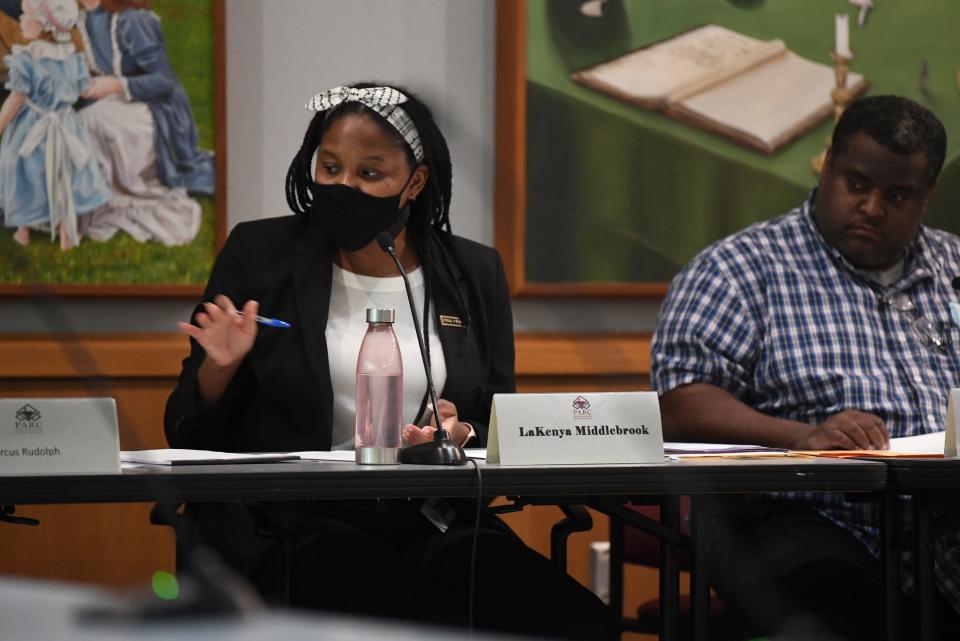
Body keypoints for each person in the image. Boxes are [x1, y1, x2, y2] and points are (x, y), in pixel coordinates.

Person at [164, 82, 616, 640]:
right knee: (414, 621)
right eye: (329, 167)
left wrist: (461, 430)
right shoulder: (261, 255)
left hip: (436, 517)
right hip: (302, 523)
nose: (343, 186)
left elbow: (497, 415)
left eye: (369, 173)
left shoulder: (472, 272)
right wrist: (221, 368)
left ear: (415, 182)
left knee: (574, 623)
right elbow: (185, 423)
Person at [652, 95, 960, 640]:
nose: (871, 208)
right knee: (829, 606)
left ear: (926, 196)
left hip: (945, 519)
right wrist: (803, 436)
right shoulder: (740, 269)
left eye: (897, 195)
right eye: (857, 184)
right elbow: (681, 403)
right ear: (829, 164)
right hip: (804, 513)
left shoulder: (953, 266)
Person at [73, 0, 209, 246]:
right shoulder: (82, 19)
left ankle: (111, 193)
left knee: (92, 122)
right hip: (118, 102)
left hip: (159, 108)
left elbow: (164, 80)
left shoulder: (132, 19)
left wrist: (114, 85)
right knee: (74, 123)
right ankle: (83, 200)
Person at [0, 0, 110, 249]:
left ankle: (24, 229)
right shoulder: (73, 60)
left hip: (32, 127)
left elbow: (15, 100)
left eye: (27, 16)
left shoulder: (26, 61)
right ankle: (64, 232)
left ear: (44, 26)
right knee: (66, 175)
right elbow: (84, 89)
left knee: (25, 173)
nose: (21, 21)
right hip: (65, 125)